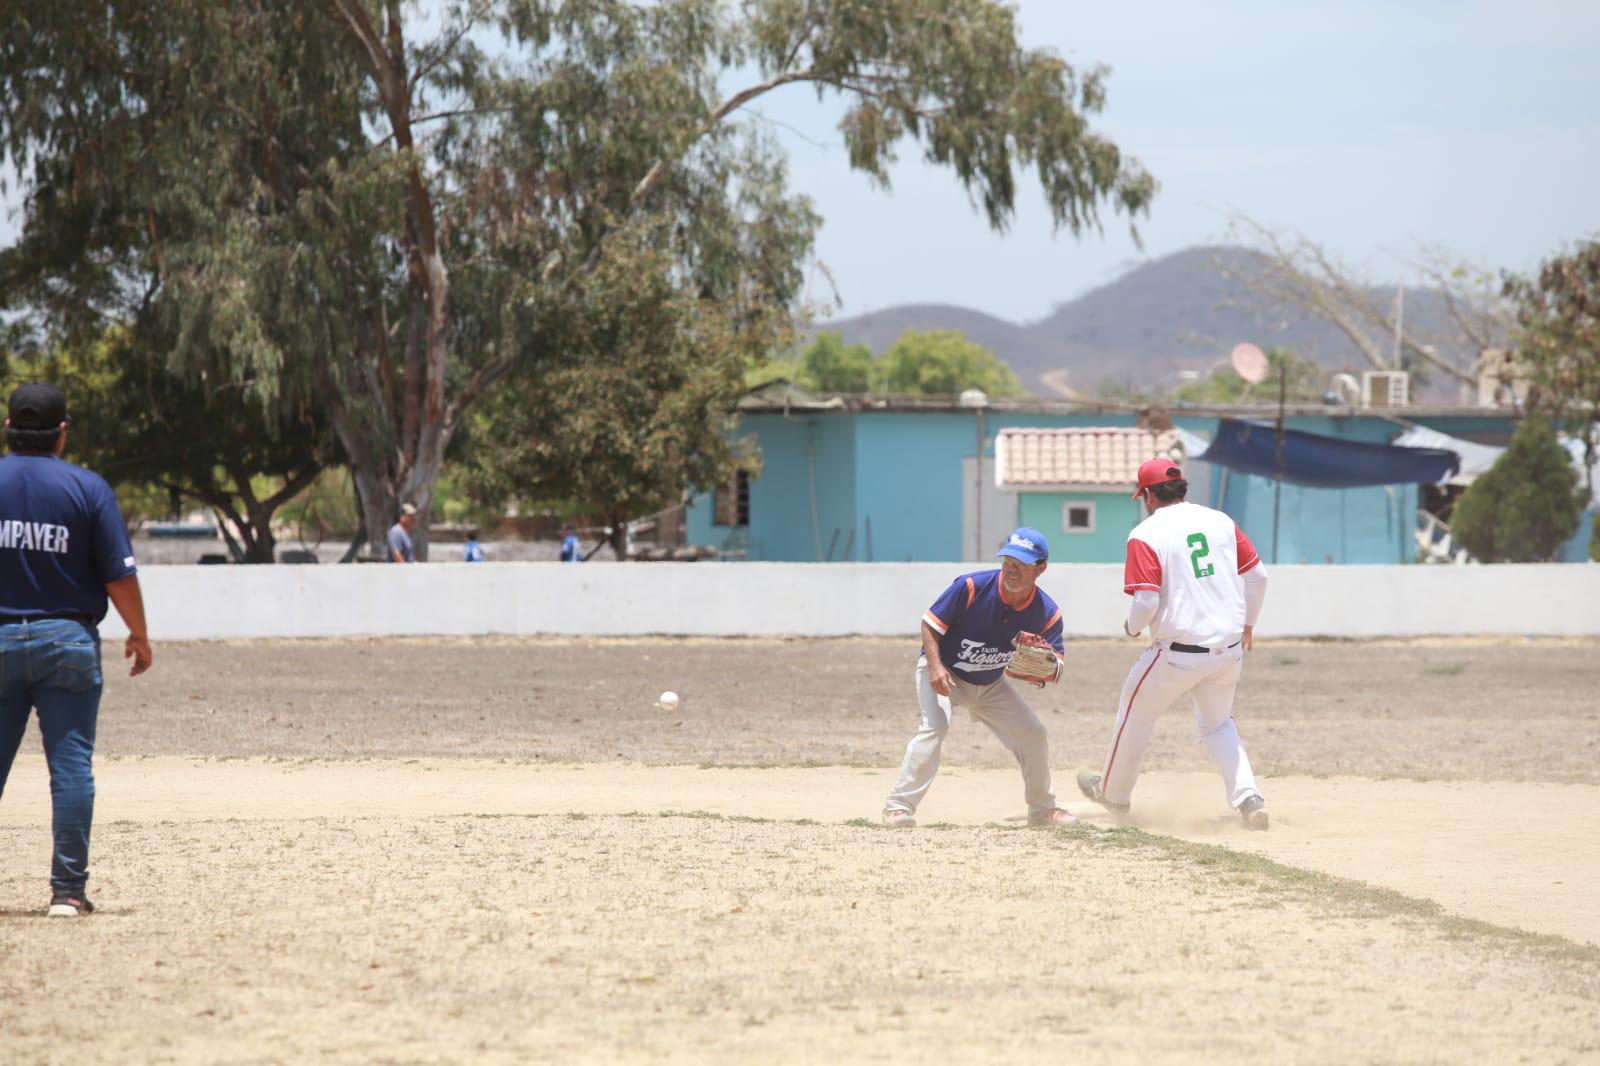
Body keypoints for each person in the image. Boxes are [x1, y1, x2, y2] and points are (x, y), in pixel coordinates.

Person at [0, 382, 153, 917]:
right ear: (62, 433)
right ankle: (66, 892)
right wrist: (139, 633)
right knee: (70, 769)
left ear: (8, 428)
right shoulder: (88, 489)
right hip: (67, 640)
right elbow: (119, 576)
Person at [1076, 457, 1272, 830]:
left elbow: (1146, 601)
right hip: (1228, 651)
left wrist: (1133, 627)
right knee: (1218, 725)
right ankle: (1249, 799)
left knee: (1135, 714)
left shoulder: (1146, 534)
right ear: (1181, 487)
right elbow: (1258, 577)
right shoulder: (1220, 521)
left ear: (1148, 495)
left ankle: (1114, 795)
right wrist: (1249, 624)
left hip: (1178, 653)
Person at [882, 527, 1075, 828]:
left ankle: (1042, 811)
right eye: (1008, 560)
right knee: (935, 726)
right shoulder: (971, 586)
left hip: (990, 683)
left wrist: (1043, 665)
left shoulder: (1047, 613)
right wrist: (934, 667)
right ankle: (898, 807)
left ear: (1041, 569)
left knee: (1033, 734)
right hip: (946, 673)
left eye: (1021, 563)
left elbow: (1056, 668)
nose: (1012, 569)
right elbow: (930, 624)